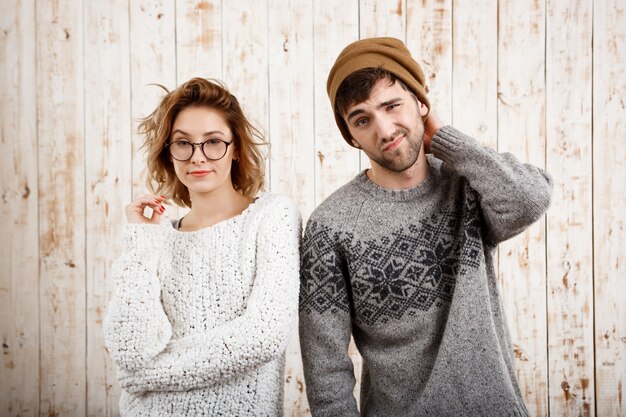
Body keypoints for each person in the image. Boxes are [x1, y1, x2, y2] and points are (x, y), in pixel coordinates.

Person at [298, 37, 553, 416]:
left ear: (421, 102)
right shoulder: (331, 227)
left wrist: (448, 141)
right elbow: (326, 370)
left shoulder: (465, 185)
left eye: (392, 105)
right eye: (363, 119)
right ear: (351, 135)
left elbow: (531, 199)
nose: (384, 131)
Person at [103, 77, 301, 417]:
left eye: (213, 142)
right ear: (169, 151)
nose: (197, 157)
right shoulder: (157, 238)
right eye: (183, 143)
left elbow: (262, 336)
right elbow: (131, 349)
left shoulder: (271, 215)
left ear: (236, 147)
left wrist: (147, 375)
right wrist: (141, 241)